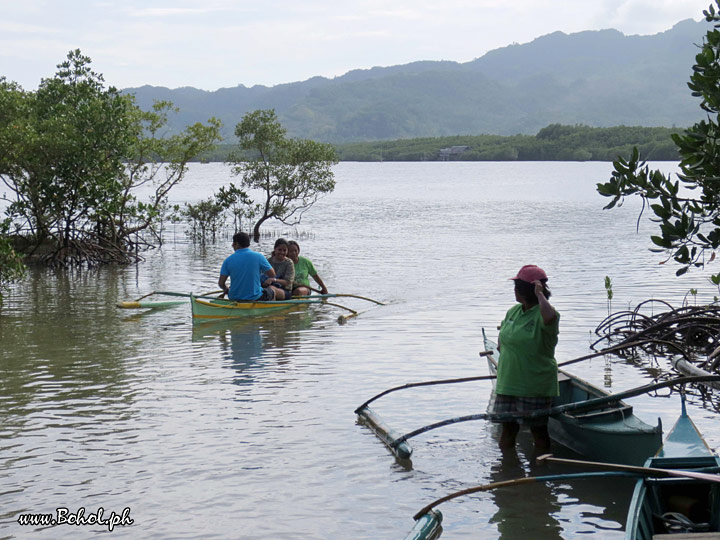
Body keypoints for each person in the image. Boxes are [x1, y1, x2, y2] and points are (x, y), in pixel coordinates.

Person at [493, 264, 559, 456]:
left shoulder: (545, 313)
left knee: (538, 431)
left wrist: (540, 295)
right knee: (508, 431)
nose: (514, 290)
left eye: (516, 287)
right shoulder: (513, 312)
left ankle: (540, 476)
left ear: (523, 291)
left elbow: (550, 317)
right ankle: (508, 469)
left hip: (534, 385)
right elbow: (502, 339)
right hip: (508, 383)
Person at [218, 232, 277, 301]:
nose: (232, 245)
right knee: (273, 291)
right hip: (255, 297)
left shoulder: (228, 260)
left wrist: (226, 289)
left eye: (233, 243)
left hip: (233, 298)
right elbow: (272, 275)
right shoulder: (259, 256)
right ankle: (270, 310)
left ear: (236, 244)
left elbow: (221, 283)